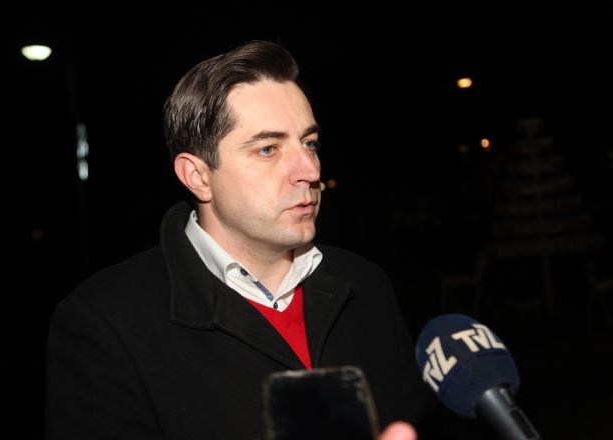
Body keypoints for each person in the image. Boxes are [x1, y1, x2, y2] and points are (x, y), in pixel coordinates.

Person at [46, 40, 435, 439]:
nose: (309, 170)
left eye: (310, 143)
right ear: (198, 176)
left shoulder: (367, 285)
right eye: (268, 149)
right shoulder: (105, 323)